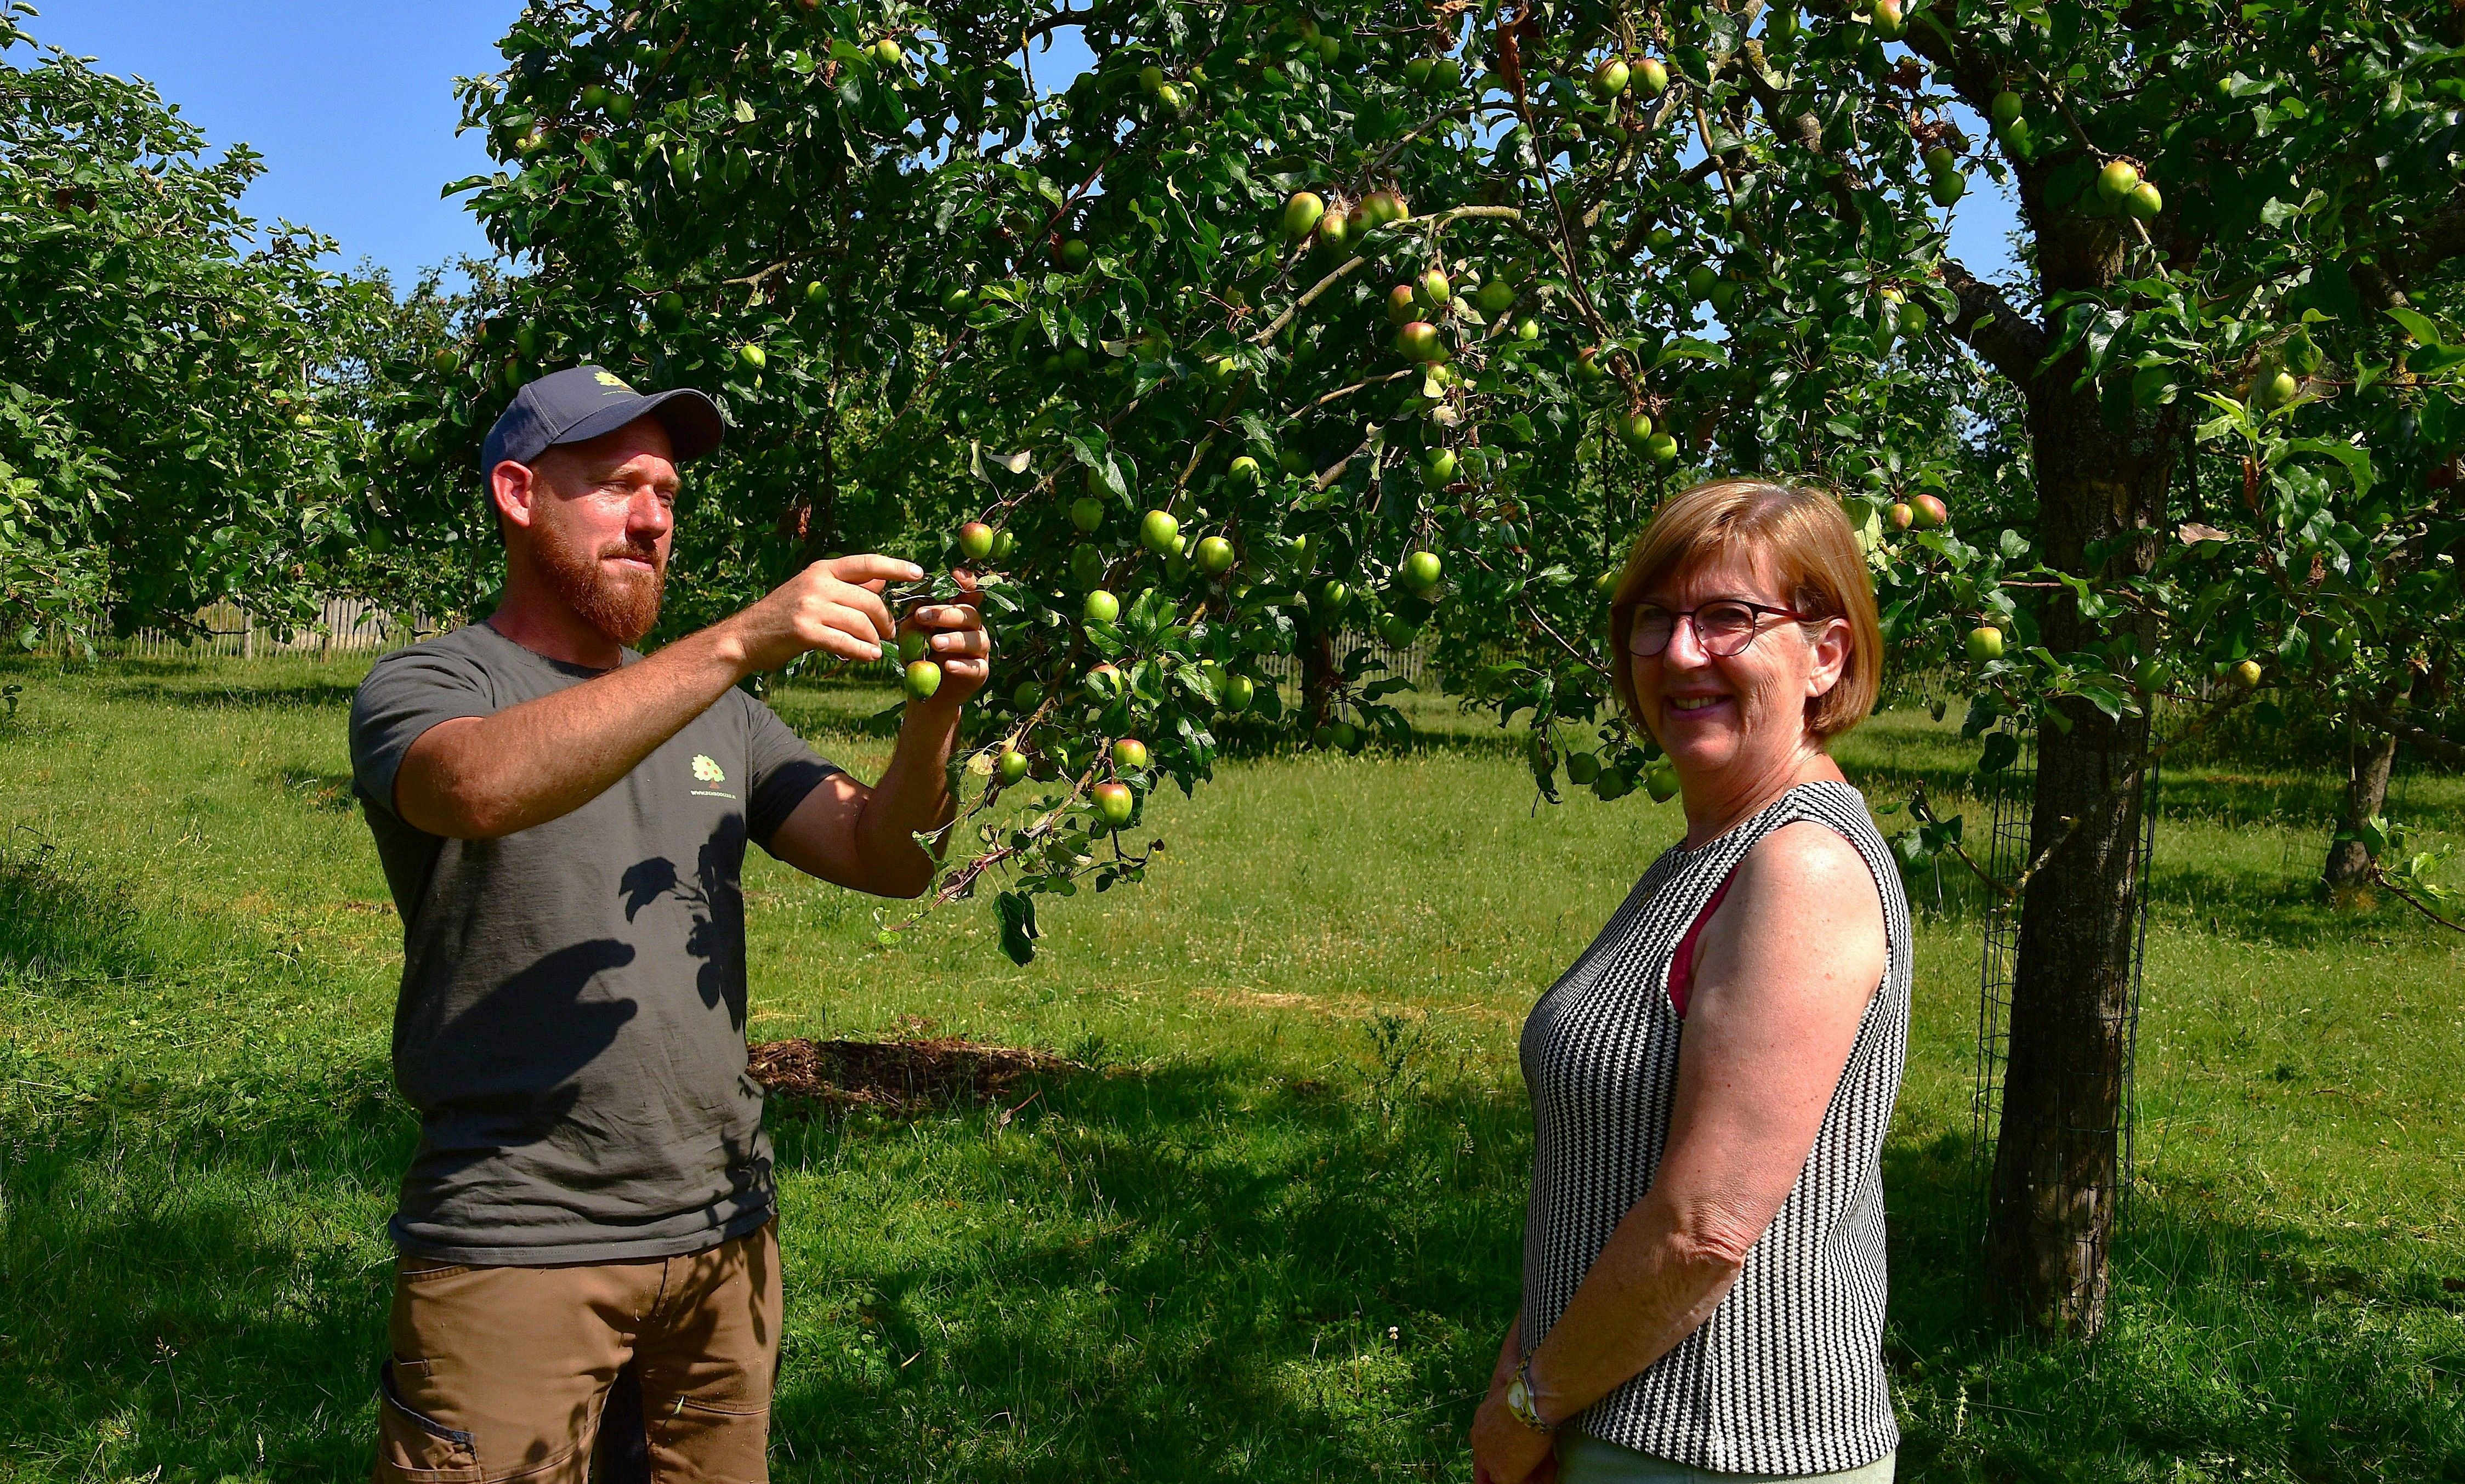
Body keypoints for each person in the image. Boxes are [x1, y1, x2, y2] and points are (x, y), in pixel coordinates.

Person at [349, 364, 989, 1482]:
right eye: (614, 486)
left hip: (723, 1231)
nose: (651, 520)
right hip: (519, 1239)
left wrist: (935, 713)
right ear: (516, 494)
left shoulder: (724, 718)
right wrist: (739, 639)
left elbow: (886, 858)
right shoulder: (436, 681)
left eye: (669, 494)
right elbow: (477, 789)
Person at [1469, 479, 1911, 1484]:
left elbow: (1707, 1230)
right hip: (1611, 1417)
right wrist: (1523, 1379)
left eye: (1728, 618)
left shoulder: (1802, 868)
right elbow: (1599, 1182)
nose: (1678, 653)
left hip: (1722, 1447)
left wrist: (1531, 1405)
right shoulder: (1709, 854)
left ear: (1826, 653)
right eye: (1654, 620)